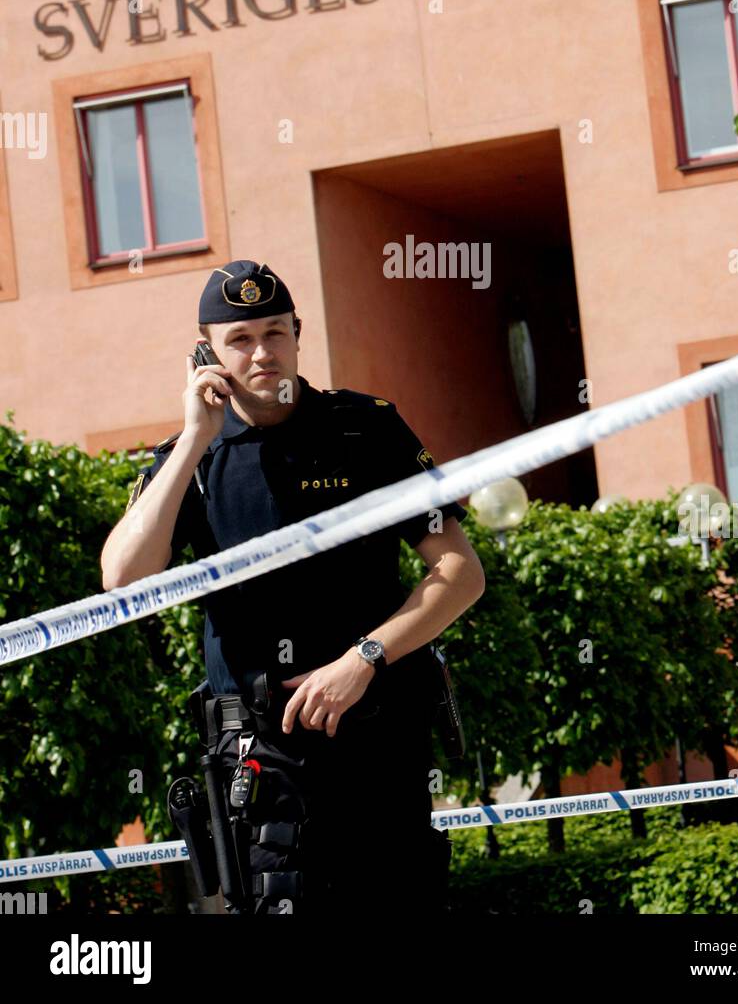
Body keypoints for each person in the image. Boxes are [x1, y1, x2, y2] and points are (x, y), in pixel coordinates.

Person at [100, 258, 485, 917]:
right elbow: (122, 580)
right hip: (260, 749)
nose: (261, 353)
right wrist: (197, 435)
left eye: (274, 333)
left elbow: (460, 574)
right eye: (239, 339)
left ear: (298, 335)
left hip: (377, 731)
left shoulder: (366, 430)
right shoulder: (190, 460)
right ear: (207, 353)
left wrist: (362, 659)